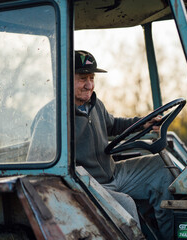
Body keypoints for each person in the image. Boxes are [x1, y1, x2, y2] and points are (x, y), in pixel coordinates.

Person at [74, 50, 174, 239]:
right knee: (125, 205)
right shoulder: (53, 116)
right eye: (82, 78)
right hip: (88, 184)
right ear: (65, 79)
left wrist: (143, 122)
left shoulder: (95, 105)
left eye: (91, 77)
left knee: (161, 167)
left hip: (113, 173)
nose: (89, 85)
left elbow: (113, 125)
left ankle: (170, 236)